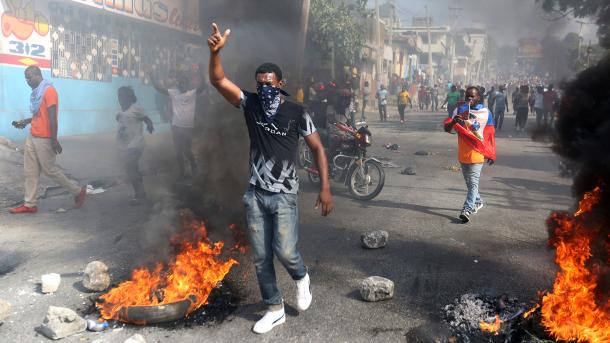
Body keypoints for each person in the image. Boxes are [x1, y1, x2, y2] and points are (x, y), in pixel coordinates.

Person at [207, 23, 333, 334]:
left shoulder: (296, 112)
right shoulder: (250, 105)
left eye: (269, 83)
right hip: (255, 194)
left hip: (285, 194)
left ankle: (301, 277)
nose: (264, 88)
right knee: (261, 257)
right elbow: (218, 79)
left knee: (286, 251)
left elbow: (317, 147)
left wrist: (325, 188)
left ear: (280, 83)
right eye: (260, 83)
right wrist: (216, 53)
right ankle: (274, 308)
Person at [10, 66, 87, 214]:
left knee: (50, 170)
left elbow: (52, 117)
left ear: (38, 75)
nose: (27, 81)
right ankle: (30, 204)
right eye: (25, 78)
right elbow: (39, 116)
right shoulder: (37, 93)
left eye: (29, 77)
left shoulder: (49, 91)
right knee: (30, 171)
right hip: (32, 135)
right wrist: (24, 122)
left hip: (44, 138)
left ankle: (78, 191)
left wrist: (54, 139)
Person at [444, 86, 495, 223]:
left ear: (479, 97)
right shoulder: (459, 110)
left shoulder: (485, 113)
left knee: (473, 183)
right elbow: (447, 128)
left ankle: (467, 209)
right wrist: (455, 121)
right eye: (468, 96)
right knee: (469, 183)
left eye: (473, 96)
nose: (470, 99)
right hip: (463, 153)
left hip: (478, 153)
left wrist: (491, 153)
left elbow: (489, 135)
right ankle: (477, 201)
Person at [150, 67, 205, 178]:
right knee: (178, 151)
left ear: (187, 84)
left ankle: (193, 165)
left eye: (184, 82)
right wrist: (152, 76)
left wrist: (202, 73)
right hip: (176, 127)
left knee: (186, 150)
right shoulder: (174, 92)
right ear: (179, 84)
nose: (182, 84)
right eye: (181, 82)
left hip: (188, 127)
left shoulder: (192, 93)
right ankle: (182, 172)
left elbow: (202, 87)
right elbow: (158, 88)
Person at [115, 86, 154, 205]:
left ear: (130, 97)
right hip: (126, 145)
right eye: (119, 96)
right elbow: (121, 123)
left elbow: (147, 119)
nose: (120, 98)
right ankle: (140, 193)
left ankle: (140, 195)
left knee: (131, 168)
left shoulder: (136, 109)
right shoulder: (119, 111)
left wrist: (150, 126)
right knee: (131, 169)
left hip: (137, 143)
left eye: (123, 96)